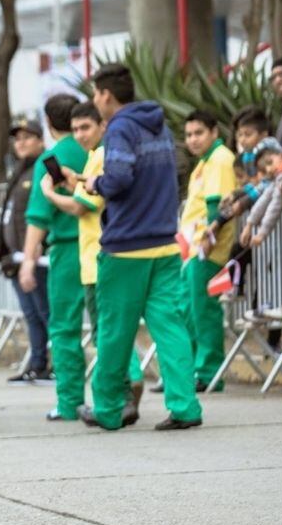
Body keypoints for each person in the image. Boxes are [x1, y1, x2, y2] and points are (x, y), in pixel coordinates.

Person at [81, 62, 203, 431]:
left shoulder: (120, 128)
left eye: (95, 94)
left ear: (105, 95)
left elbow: (118, 178)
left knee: (114, 332)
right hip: (165, 243)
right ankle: (186, 408)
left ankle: (106, 409)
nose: (94, 101)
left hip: (125, 249)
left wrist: (95, 185)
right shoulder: (160, 127)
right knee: (170, 328)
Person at [45, 103, 144, 416]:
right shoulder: (96, 158)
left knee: (107, 332)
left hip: (97, 258)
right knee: (111, 328)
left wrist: (49, 194)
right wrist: (75, 179)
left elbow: (80, 207)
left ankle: (127, 385)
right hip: (102, 257)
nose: (79, 135)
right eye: (75, 129)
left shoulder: (102, 155)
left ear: (103, 125)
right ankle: (130, 384)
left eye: (86, 127)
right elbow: (93, 190)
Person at [19, 94, 90, 420]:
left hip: (66, 248)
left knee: (64, 327)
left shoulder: (51, 158)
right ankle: (124, 382)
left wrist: (29, 261)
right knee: (109, 323)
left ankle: (69, 400)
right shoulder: (93, 150)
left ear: (48, 122)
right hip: (101, 245)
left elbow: (38, 216)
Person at [179, 109, 237, 392]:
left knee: (204, 311)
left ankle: (210, 372)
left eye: (199, 133)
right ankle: (190, 370)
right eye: (189, 134)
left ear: (214, 132)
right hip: (192, 248)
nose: (193, 139)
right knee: (187, 309)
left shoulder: (221, 159)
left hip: (208, 249)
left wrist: (207, 240)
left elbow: (218, 205)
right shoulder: (203, 163)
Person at [0, 120, 53, 385]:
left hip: (36, 257)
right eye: (17, 139)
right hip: (17, 258)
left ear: (41, 141)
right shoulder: (18, 171)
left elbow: (41, 215)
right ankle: (37, 364)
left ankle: (57, 365)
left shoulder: (42, 169)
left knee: (46, 312)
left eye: (28, 137)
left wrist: (36, 250)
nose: (22, 142)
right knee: (31, 314)